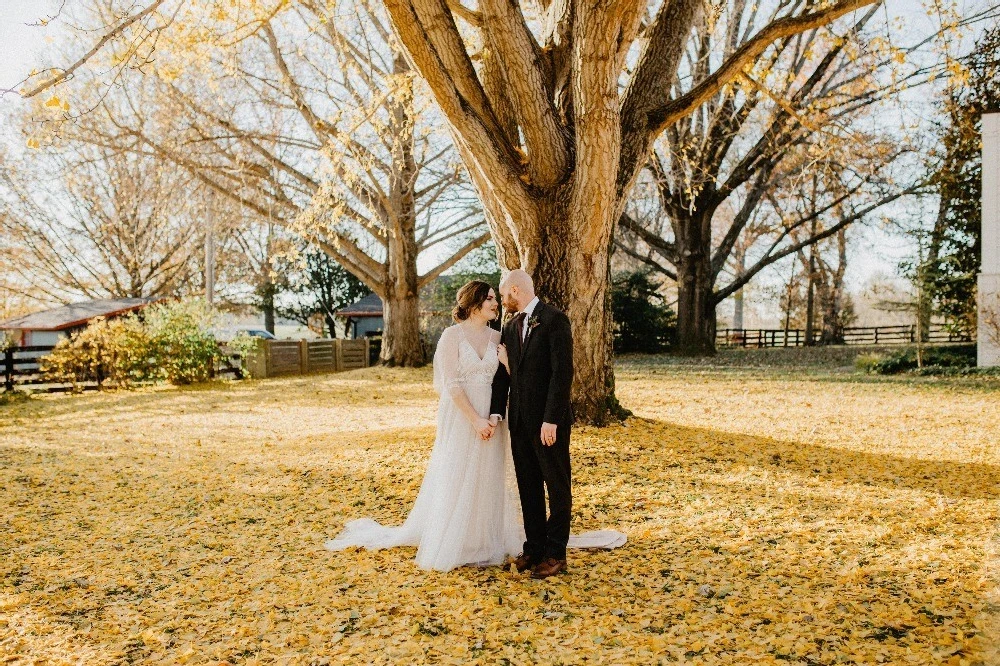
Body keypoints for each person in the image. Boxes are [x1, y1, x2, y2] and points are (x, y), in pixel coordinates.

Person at [325, 278, 624, 573]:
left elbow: (556, 374)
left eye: (501, 295)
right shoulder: (496, 330)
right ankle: (522, 547)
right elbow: (477, 382)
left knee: (551, 485)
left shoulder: (538, 324)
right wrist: (487, 415)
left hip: (534, 421)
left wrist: (531, 417)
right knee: (519, 486)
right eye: (493, 297)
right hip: (486, 419)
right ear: (475, 303)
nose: (498, 301)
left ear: (515, 291)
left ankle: (554, 553)